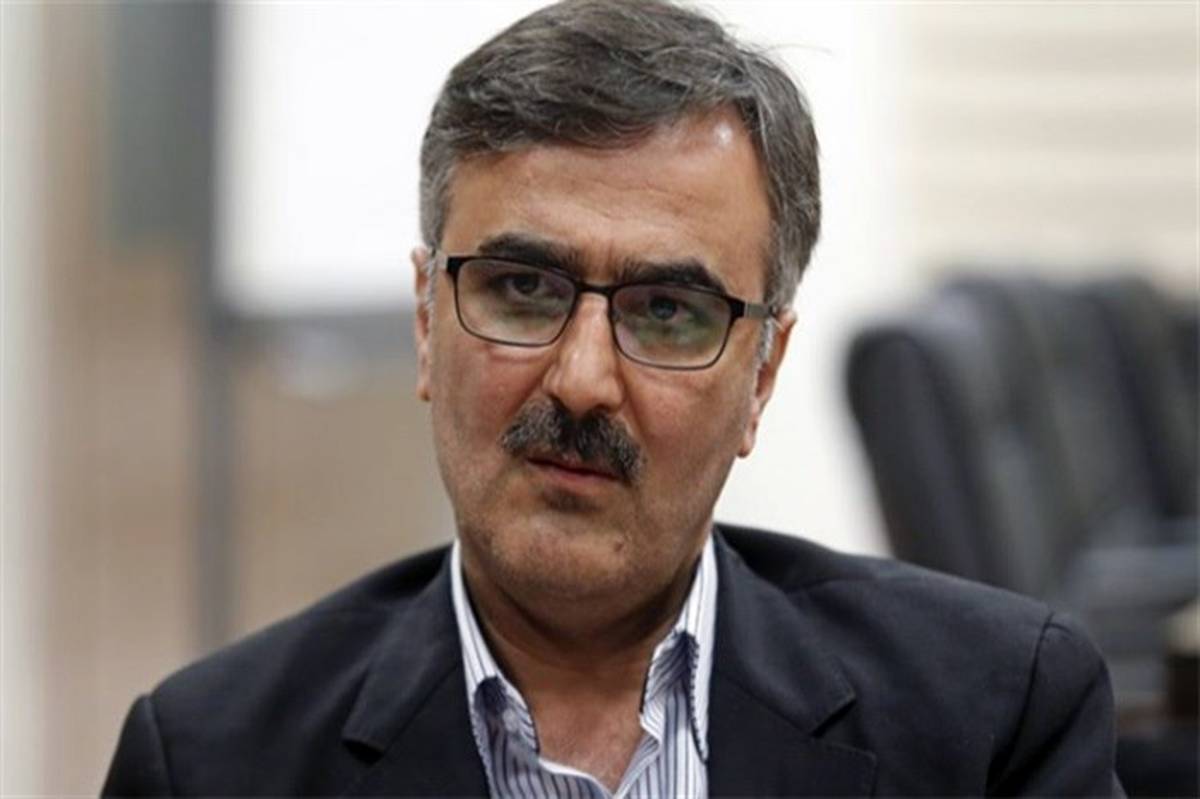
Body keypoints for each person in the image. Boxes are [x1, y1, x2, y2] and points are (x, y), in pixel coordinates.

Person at [103, 1, 1124, 795]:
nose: (583, 379)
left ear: (762, 375)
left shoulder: (994, 720)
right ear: (426, 323)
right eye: (521, 289)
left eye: (668, 311)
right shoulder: (209, 761)